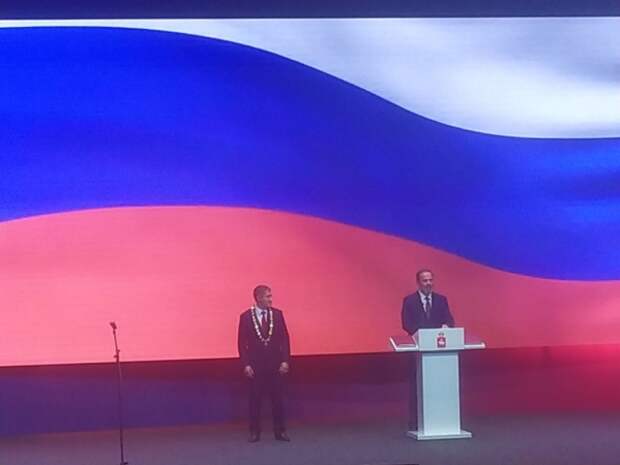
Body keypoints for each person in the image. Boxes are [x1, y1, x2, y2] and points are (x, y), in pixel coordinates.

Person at [401, 269, 454, 431]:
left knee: (440, 386)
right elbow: (406, 323)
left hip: (439, 354)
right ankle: (416, 422)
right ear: (418, 283)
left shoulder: (441, 300)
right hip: (419, 351)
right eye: (425, 281)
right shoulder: (409, 301)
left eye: (430, 280)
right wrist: (420, 335)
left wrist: (446, 326)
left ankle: (440, 420)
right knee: (417, 387)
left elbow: (449, 320)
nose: (428, 283)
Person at [237, 285, 291, 442]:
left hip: (276, 365)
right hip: (255, 366)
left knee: (278, 400)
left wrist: (285, 360)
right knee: (255, 400)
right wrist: (246, 364)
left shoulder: (278, 315)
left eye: (271, 296)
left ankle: (280, 431)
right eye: (268, 296)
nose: (271, 299)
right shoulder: (246, 317)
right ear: (259, 298)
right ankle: (254, 432)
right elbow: (241, 343)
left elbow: (285, 339)